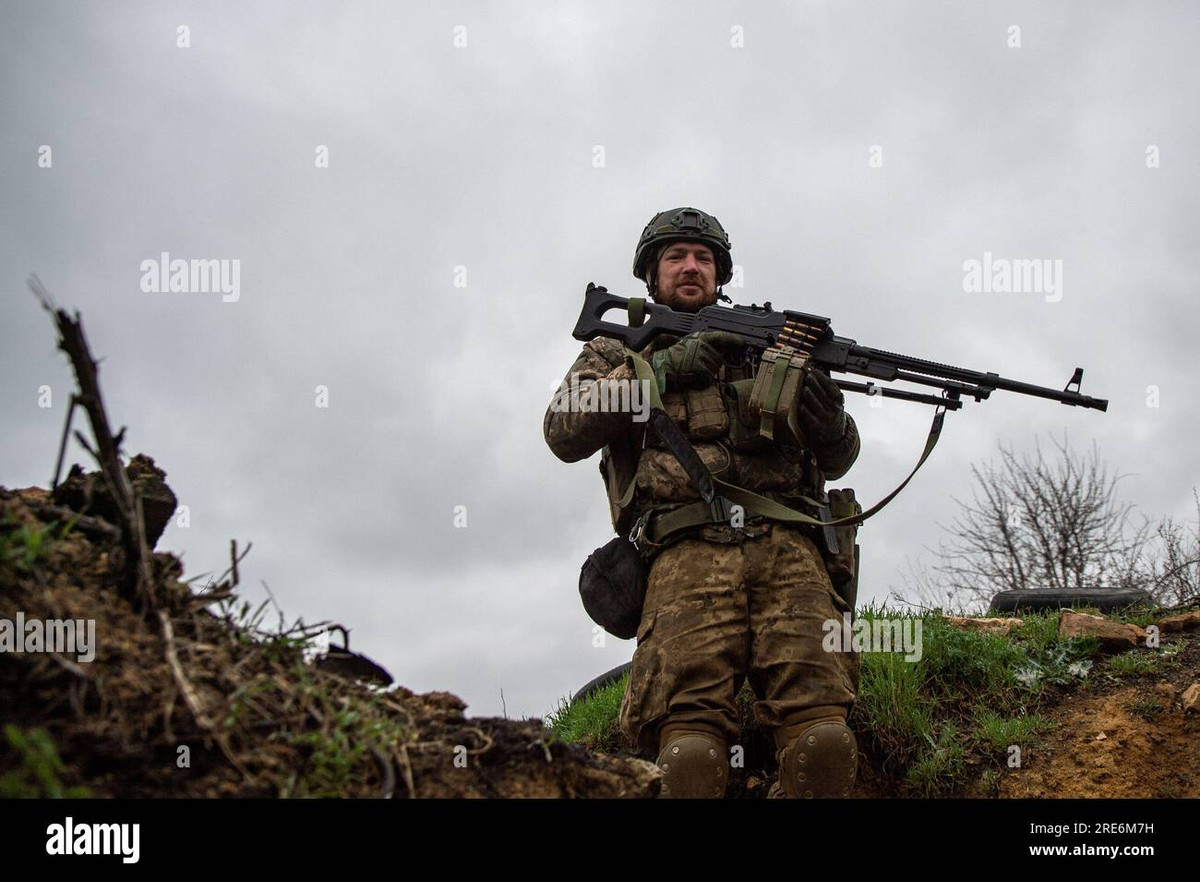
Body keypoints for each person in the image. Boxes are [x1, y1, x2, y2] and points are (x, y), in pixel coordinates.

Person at [544, 207, 862, 798]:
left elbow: (840, 458)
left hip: (791, 552)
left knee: (825, 739)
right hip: (685, 554)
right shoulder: (618, 345)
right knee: (689, 752)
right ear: (650, 275)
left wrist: (832, 422)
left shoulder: (774, 347)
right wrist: (660, 369)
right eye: (676, 256)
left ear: (720, 272)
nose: (691, 267)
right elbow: (563, 428)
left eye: (704, 258)